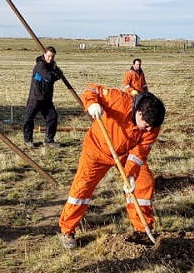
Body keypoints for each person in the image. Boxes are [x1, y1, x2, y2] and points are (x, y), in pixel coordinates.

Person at [58, 85, 165, 250]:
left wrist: (130, 174)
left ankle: (142, 229)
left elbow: (139, 152)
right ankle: (67, 230)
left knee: (144, 183)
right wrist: (92, 104)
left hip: (125, 154)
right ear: (139, 113)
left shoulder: (153, 125)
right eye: (146, 125)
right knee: (81, 189)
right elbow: (91, 90)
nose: (149, 129)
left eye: (152, 127)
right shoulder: (118, 99)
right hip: (97, 150)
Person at [23, 46, 61, 148]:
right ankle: (28, 140)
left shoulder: (52, 66)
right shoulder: (40, 66)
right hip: (35, 98)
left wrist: (56, 73)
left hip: (47, 99)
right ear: (44, 55)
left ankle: (49, 140)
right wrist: (56, 74)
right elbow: (49, 77)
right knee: (28, 118)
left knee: (52, 118)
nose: (50, 58)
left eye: (52, 57)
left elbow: (58, 74)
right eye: (49, 56)